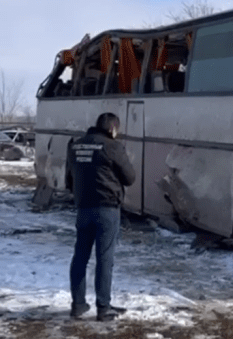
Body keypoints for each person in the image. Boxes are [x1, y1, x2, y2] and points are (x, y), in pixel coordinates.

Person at [67, 112, 136, 321]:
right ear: (113, 129)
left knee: (80, 256)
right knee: (104, 259)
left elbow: (68, 179)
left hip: (83, 208)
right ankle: (103, 307)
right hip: (107, 208)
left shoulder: (75, 145)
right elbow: (129, 178)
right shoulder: (112, 146)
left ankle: (78, 304)